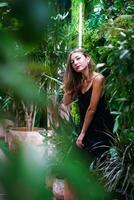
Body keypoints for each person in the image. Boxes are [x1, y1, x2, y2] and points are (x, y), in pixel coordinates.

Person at [61, 48, 114, 159]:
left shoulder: (98, 79)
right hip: (87, 127)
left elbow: (92, 109)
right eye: (72, 62)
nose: (75, 63)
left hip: (101, 128)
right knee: (69, 167)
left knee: (94, 166)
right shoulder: (80, 82)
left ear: (88, 58)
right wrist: (69, 80)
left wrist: (82, 134)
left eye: (78, 58)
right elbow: (66, 102)